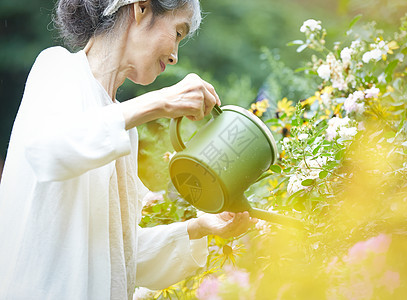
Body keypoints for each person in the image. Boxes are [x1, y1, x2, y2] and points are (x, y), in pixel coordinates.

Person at [0, 0, 254, 299]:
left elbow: (117, 257)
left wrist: (199, 227)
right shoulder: (58, 68)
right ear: (141, 8)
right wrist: (159, 102)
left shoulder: (123, 129)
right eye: (177, 32)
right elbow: (48, 150)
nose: (174, 56)